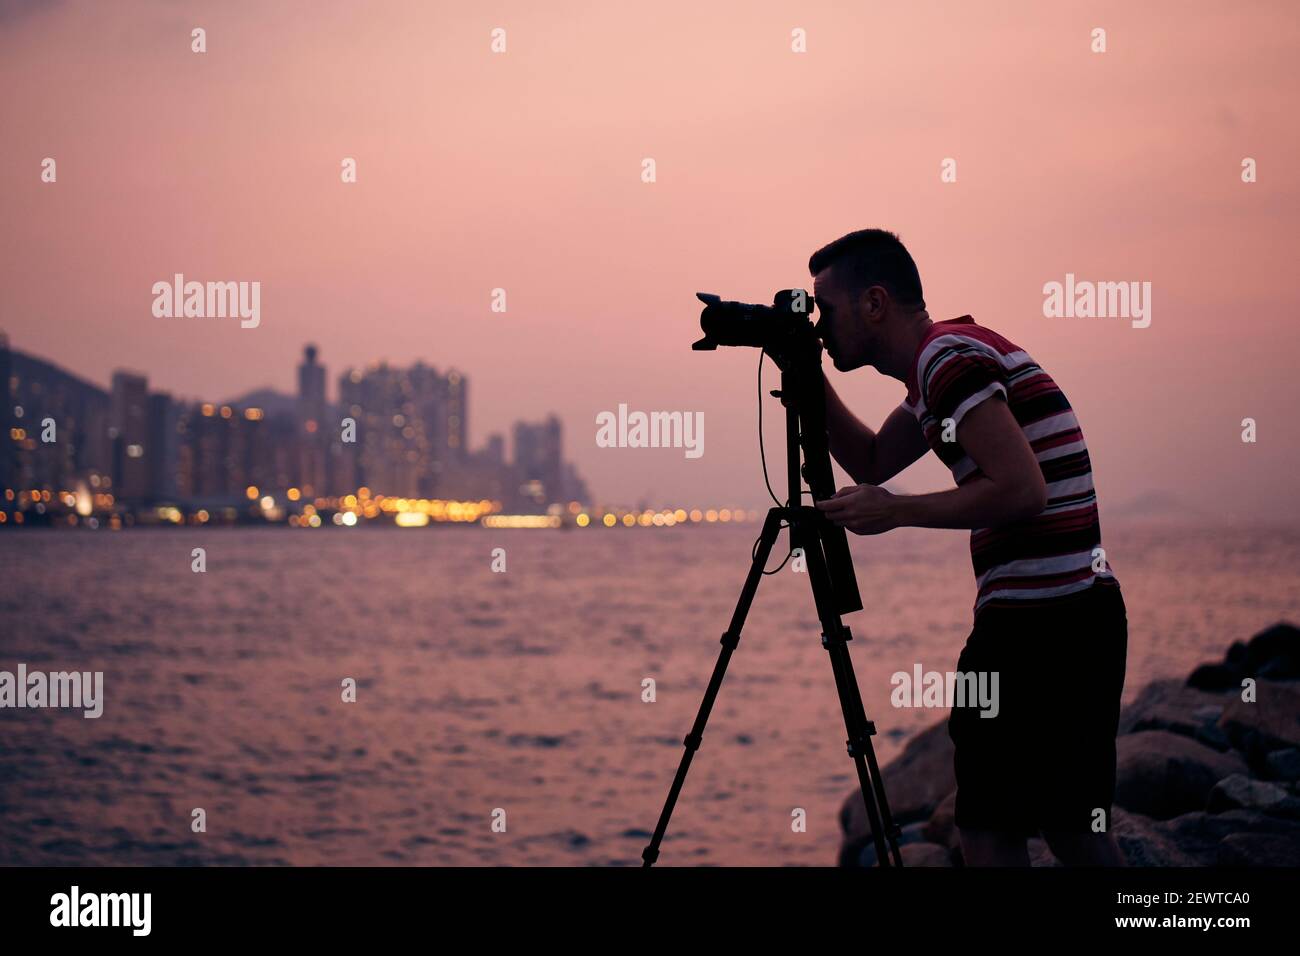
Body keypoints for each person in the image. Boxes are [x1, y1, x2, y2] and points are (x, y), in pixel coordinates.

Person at [807, 228, 1128, 866]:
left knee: (988, 828)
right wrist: (804, 374)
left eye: (826, 310)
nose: (819, 327)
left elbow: (1022, 490)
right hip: (1080, 612)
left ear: (874, 303)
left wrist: (896, 513)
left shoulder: (944, 360)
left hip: (1039, 622)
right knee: (1073, 829)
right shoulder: (945, 360)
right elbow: (872, 460)